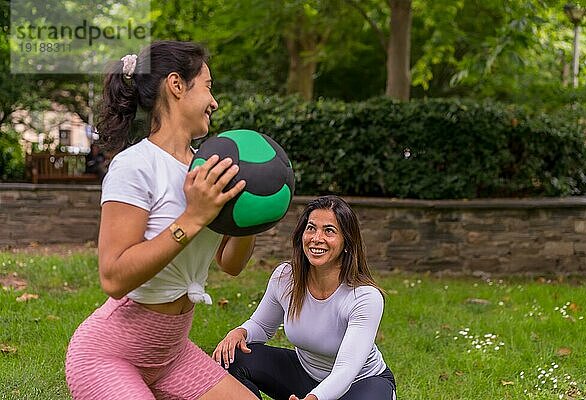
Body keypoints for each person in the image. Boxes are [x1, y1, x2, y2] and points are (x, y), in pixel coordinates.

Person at [65, 41, 259, 400]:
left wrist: (250, 219)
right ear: (176, 85)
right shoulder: (135, 165)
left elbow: (230, 265)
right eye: (208, 86)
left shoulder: (205, 170)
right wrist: (193, 217)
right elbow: (113, 276)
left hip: (172, 354)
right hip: (108, 356)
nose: (214, 102)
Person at [213, 195, 397, 400]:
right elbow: (262, 327)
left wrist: (313, 398)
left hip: (360, 383)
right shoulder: (285, 277)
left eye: (329, 231)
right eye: (311, 228)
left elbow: (346, 370)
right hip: (304, 376)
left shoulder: (364, 297)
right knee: (230, 357)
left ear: (347, 242)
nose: (316, 238)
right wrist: (240, 333)